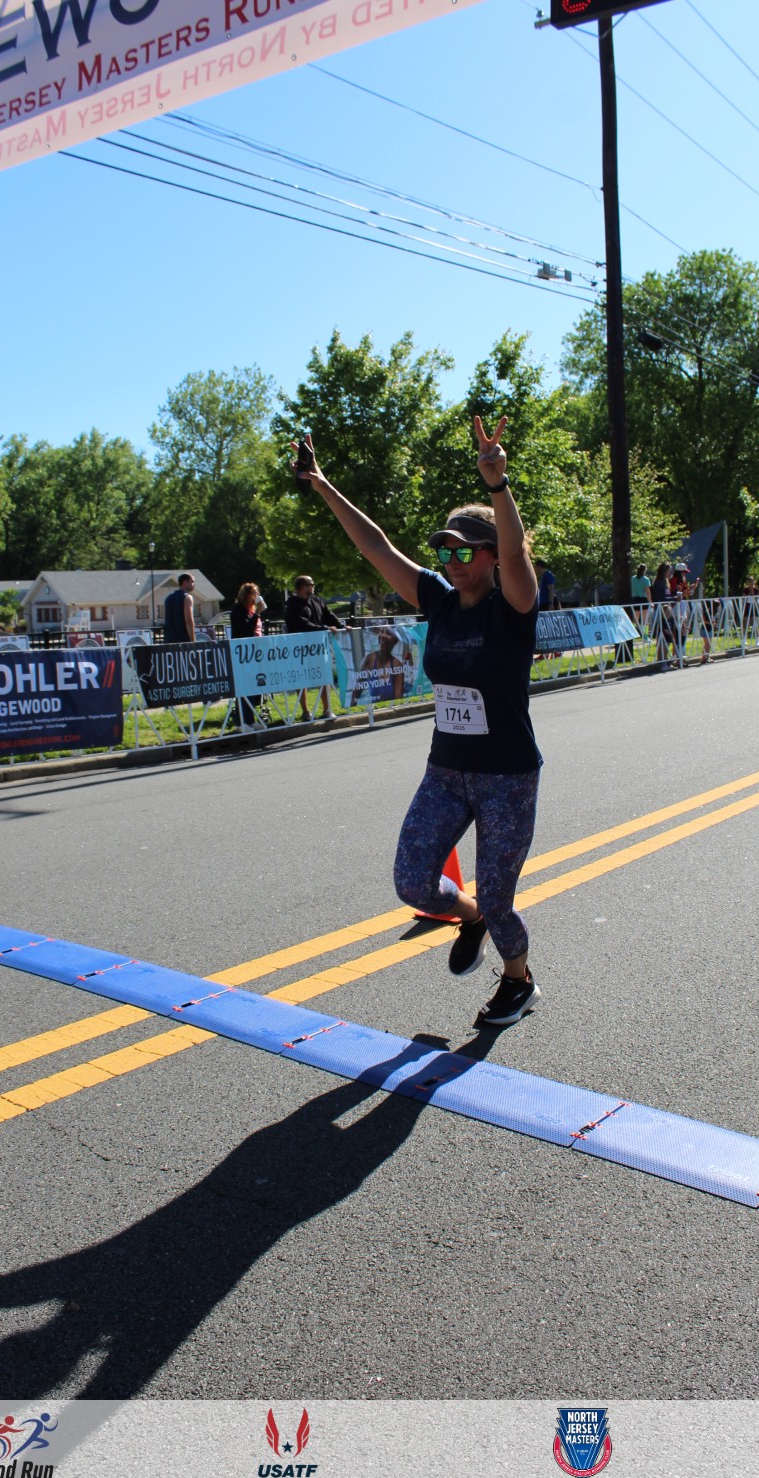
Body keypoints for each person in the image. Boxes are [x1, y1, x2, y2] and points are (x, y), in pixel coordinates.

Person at [292, 416, 542, 1027]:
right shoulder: (437, 599)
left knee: (502, 899)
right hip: (446, 771)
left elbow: (515, 554)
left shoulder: (513, 607)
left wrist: (498, 485)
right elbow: (376, 546)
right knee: (413, 882)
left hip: (506, 777)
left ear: (490, 555)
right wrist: (322, 485)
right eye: (445, 552)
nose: (452, 561)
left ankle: (518, 980)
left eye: (465, 551)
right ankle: (470, 917)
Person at [283, 575, 343, 722]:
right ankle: (306, 711)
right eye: (311, 584)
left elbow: (329, 615)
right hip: (300, 648)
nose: (313, 587)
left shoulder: (317, 600)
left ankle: (327, 709)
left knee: (324, 676)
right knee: (301, 678)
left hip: (319, 646)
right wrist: (324, 628)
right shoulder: (292, 605)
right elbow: (301, 624)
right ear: (302, 587)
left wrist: (342, 626)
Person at [229, 582, 266, 726]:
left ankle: (250, 719)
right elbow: (245, 629)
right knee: (244, 687)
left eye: (257, 593)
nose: (256, 596)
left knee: (253, 686)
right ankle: (241, 722)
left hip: (254, 652)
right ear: (246, 595)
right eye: (253, 594)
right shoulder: (238, 609)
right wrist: (257, 613)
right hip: (243, 653)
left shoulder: (251, 611)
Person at [352, 626, 405, 706]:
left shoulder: (397, 665)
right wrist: (350, 710)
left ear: (395, 641)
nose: (382, 636)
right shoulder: (369, 660)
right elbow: (356, 692)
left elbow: (398, 700)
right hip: (374, 709)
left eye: (388, 633)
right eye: (382, 631)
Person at [163, 573, 196, 644]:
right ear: (185, 582)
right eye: (192, 582)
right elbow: (189, 621)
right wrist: (193, 641)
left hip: (169, 641)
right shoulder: (187, 597)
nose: (194, 584)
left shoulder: (168, 598)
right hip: (184, 641)